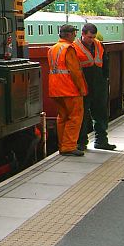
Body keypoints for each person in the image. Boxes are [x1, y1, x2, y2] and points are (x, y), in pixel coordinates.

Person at [74, 23, 116, 151]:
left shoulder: (99, 45)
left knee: (101, 113)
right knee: (83, 114)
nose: (91, 40)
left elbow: (105, 63)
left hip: (99, 84)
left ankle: (101, 140)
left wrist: (105, 79)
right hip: (84, 84)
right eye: (89, 37)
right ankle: (81, 142)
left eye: (93, 37)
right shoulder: (74, 47)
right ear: (83, 34)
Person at [47, 24, 88, 157]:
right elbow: (75, 71)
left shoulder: (52, 49)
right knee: (75, 117)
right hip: (69, 90)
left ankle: (62, 145)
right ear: (69, 34)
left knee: (62, 117)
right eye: (74, 33)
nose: (75, 36)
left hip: (55, 89)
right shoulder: (68, 49)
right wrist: (82, 88)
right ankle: (69, 146)